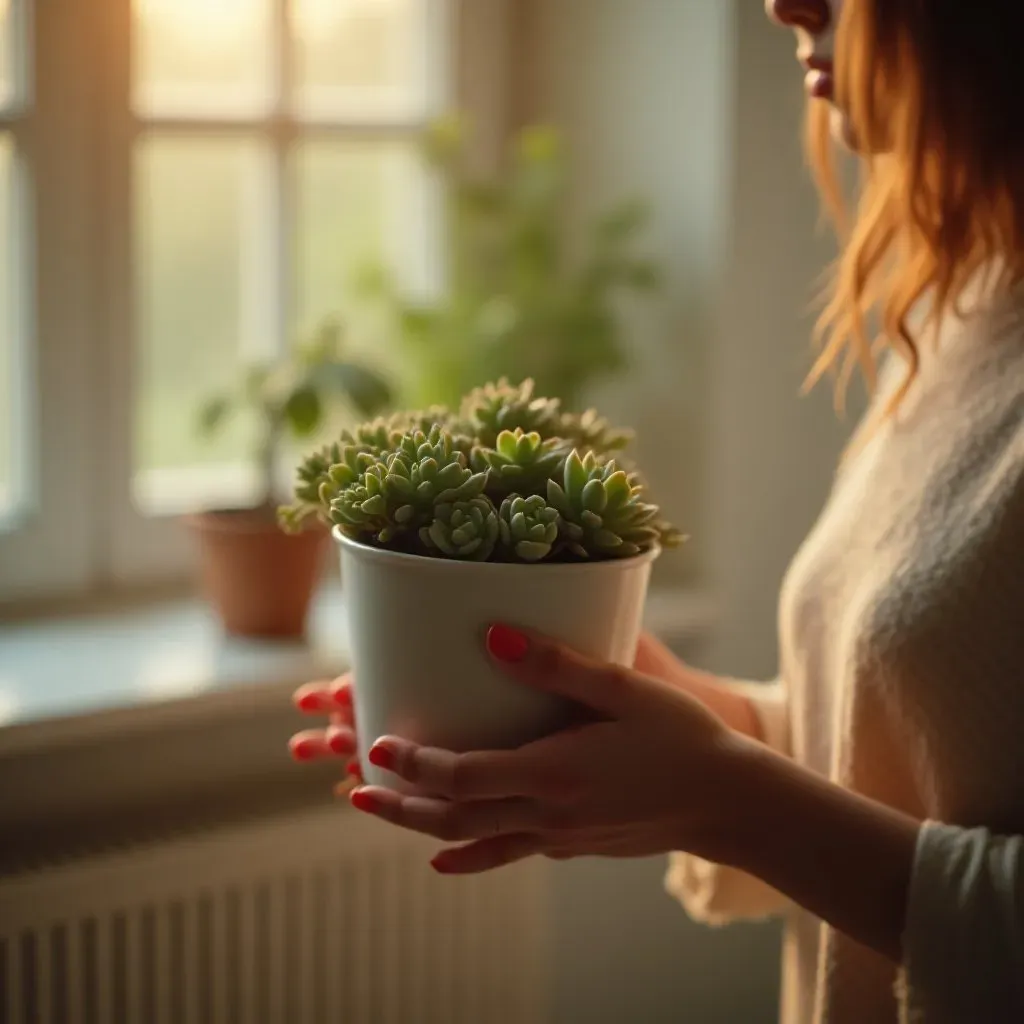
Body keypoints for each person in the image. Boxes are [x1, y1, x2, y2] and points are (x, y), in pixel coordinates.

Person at [289, 0, 1024, 1019]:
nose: (782, 6)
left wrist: (727, 801)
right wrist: (701, 722)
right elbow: (918, 760)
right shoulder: (973, 295)